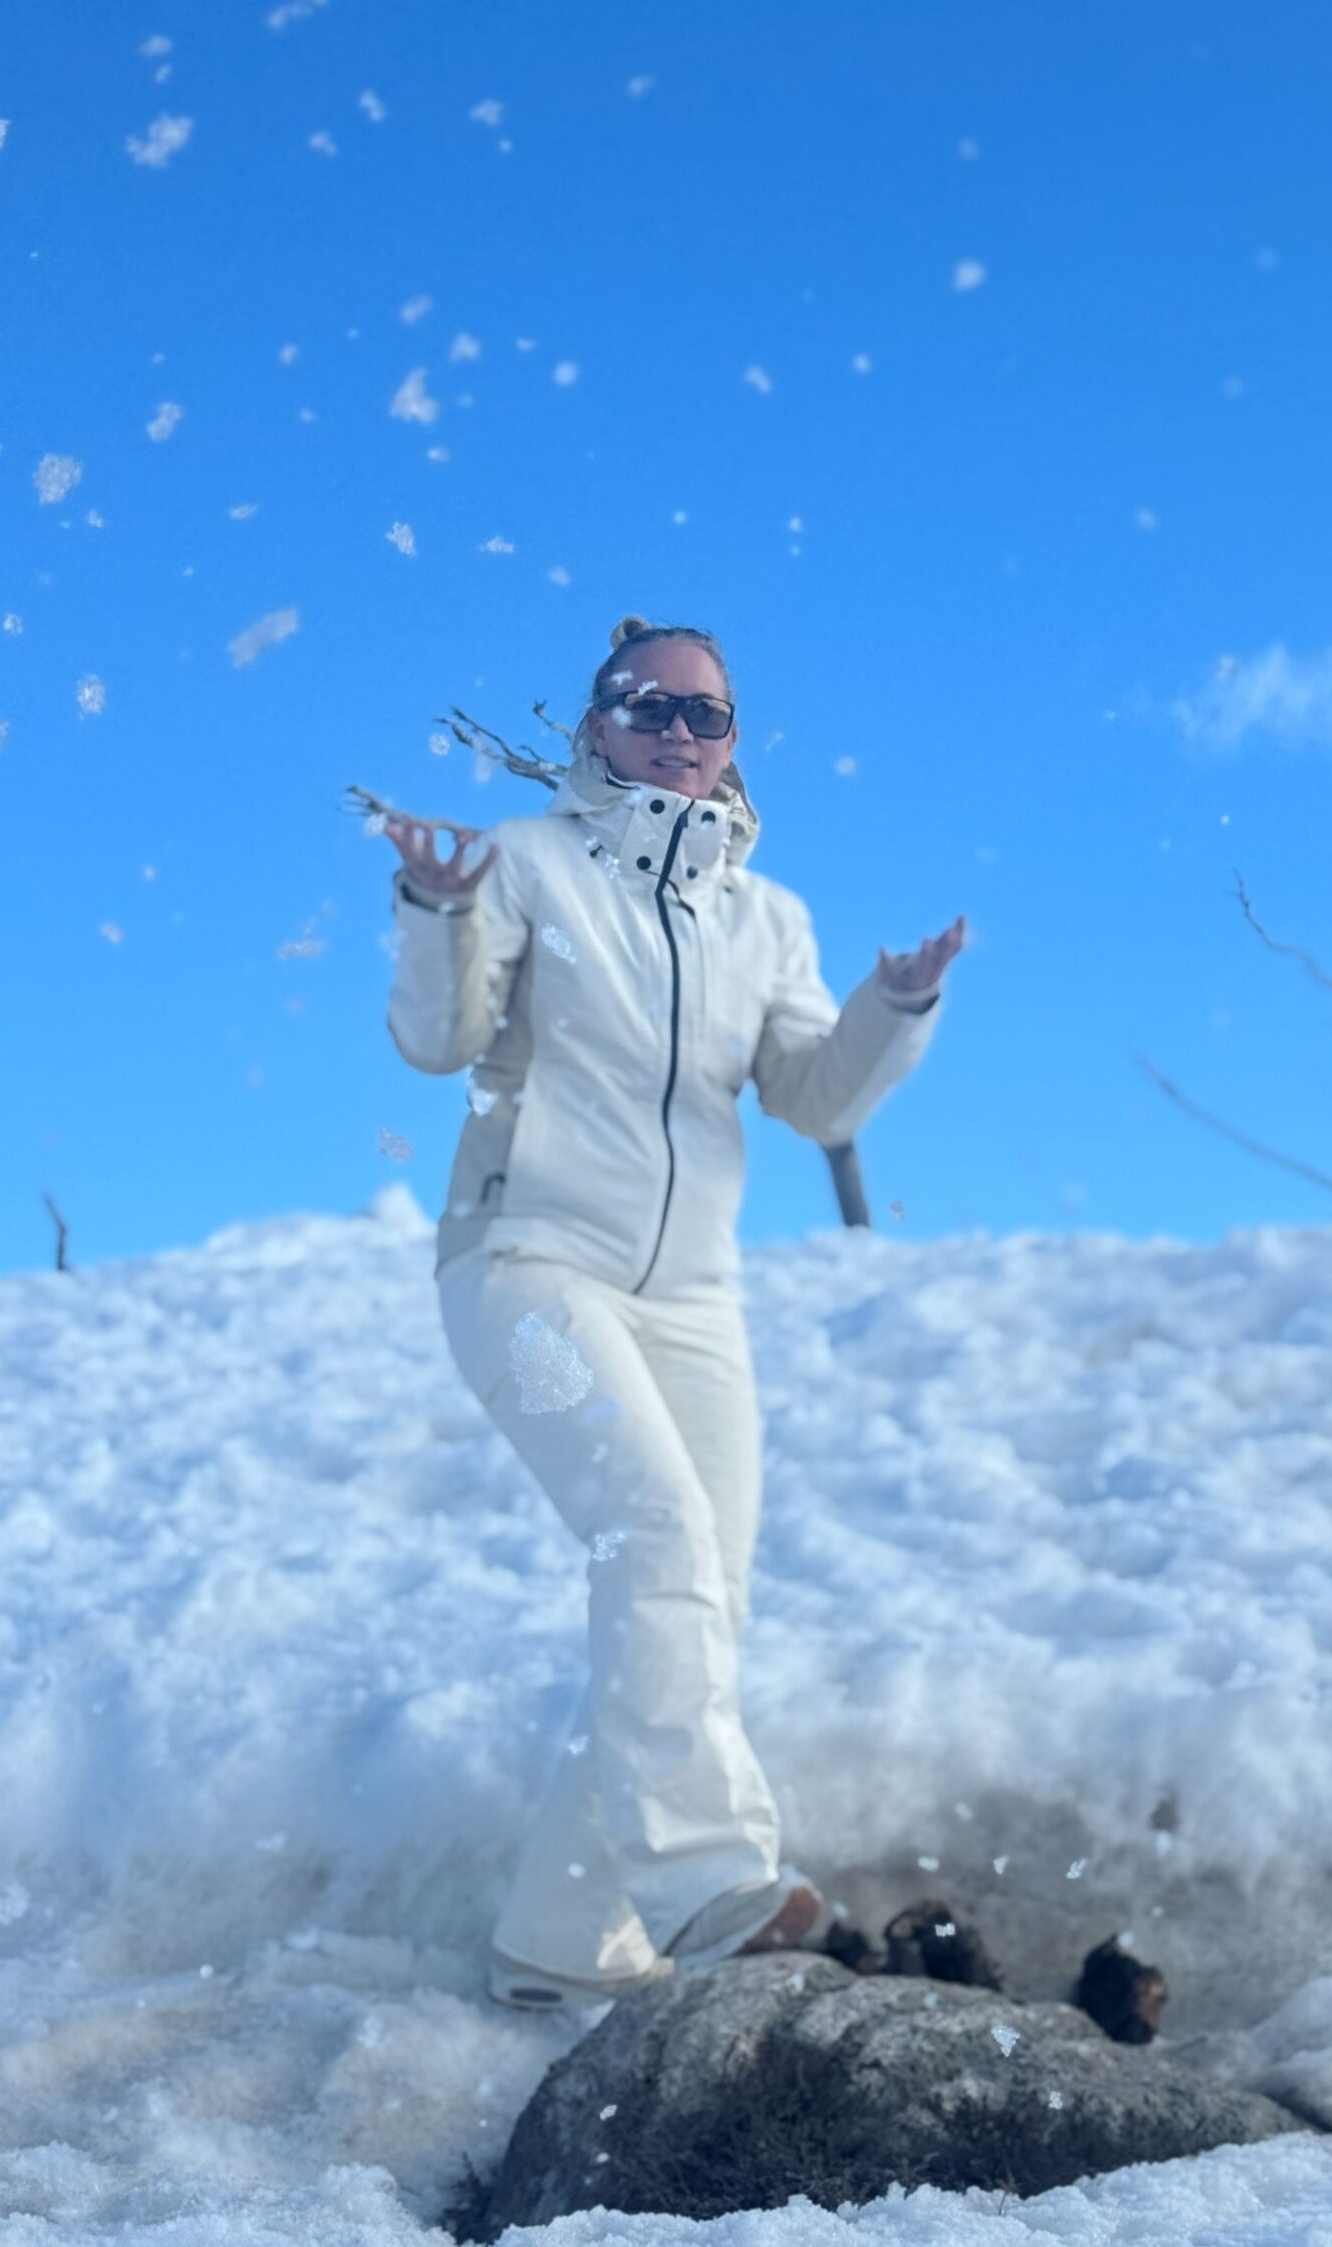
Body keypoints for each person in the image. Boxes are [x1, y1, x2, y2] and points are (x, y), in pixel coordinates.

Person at [384, 616, 963, 2012]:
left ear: (733, 740)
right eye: (649, 706)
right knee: (651, 1533)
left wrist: (895, 1008)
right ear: (598, 723)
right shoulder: (525, 864)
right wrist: (439, 916)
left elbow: (814, 1100)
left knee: (702, 1600)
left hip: (694, 1301)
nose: (678, 733)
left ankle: (557, 1941)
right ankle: (711, 1883)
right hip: (525, 1267)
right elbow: (437, 1042)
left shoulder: (767, 920)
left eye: (707, 715)